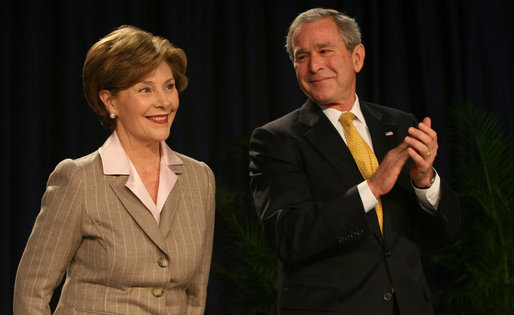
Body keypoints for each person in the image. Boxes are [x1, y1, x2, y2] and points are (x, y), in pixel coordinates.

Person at [249, 8, 460, 314]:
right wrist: (372, 188)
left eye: (324, 51)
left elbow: (445, 231)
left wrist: (425, 181)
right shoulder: (275, 139)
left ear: (357, 57)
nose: (314, 65)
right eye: (302, 56)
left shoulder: (400, 125)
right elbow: (289, 236)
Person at [13, 25, 215, 314]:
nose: (164, 102)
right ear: (109, 101)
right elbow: (32, 290)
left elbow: (195, 295)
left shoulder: (200, 178)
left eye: (169, 86)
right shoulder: (78, 179)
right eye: (145, 89)